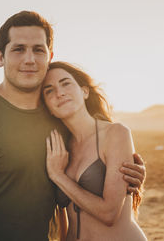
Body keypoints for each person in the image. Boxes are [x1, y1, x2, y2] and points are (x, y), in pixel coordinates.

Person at [0, 11, 146, 241]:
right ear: (0, 57)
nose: (30, 59)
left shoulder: (59, 121)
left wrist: (129, 175)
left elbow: (88, 176)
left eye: (38, 50)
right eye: (18, 49)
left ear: (49, 56)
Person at [43, 61, 147, 240]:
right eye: (49, 90)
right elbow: (63, 219)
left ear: (84, 91)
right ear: (48, 108)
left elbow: (109, 214)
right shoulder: (58, 149)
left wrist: (58, 176)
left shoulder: (115, 134)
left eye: (66, 83)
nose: (59, 93)